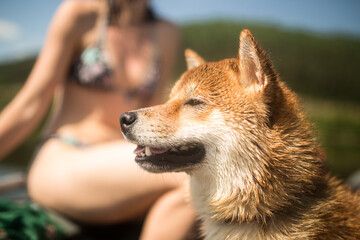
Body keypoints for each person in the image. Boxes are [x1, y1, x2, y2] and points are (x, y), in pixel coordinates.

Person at [0, 0, 197, 239]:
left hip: (125, 160)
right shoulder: (80, 14)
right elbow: (29, 106)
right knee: (191, 177)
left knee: (194, 186)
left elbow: (153, 115)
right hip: (64, 156)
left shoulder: (167, 32)